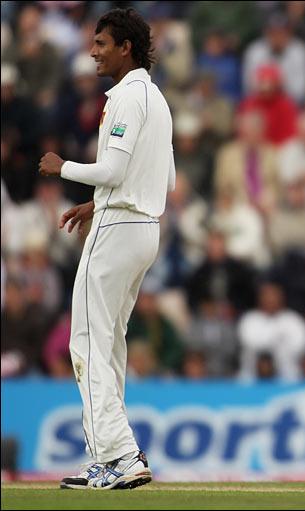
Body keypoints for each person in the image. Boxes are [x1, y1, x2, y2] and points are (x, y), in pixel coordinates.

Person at [38, 8, 173, 490]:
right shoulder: (154, 98)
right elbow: (163, 178)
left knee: (87, 342)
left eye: (101, 44)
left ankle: (119, 454)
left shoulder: (127, 97)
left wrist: (63, 167)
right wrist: (96, 203)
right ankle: (109, 457)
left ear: (125, 49)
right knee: (109, 343)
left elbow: (114, 171)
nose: (93, 52)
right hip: (142, 228)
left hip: (119, 231)